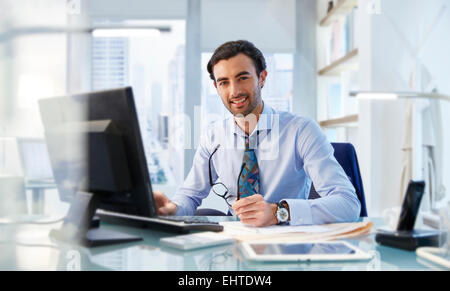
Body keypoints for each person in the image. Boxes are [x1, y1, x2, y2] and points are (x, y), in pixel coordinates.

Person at [153, 40, 361, 227]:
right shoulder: (213, 137)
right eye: (224, 82)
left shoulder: (301, 130)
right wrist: (172, 209)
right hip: (233, 241)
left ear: (262, 77)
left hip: (287, 239)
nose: (234, 91)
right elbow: (190, 195)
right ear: (216, 87)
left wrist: (279, 212)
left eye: (242, 78)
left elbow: (348, 203)